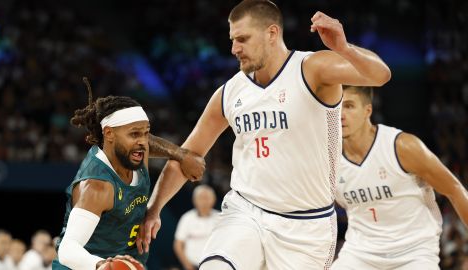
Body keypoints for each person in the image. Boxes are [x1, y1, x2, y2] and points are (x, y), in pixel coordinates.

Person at [137, 1, 391, 269]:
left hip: (305, 225)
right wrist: (154, 209)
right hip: (246, 211)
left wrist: (344, 48)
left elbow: (380, 75)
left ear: (272, 33)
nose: (235, 49)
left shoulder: (312, 69)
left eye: (243, 39)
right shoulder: (229, 92)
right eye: (233, 40)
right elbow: (188, 153)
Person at [51, 79, 205, 270]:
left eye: (145, 133)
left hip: (127, 261)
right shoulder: (97, 186)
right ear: (109, 134)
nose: (143, 141)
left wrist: (179, 153)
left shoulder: (134, 152)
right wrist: (102, 266)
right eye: (134, 134)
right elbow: (67, 249)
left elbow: (148, 142)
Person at [331, 86, 468, 270]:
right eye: (337, 107)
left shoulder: (402, 147)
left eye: (349, 106)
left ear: (367, 110)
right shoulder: (329, 159)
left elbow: (455, 190)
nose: (341, 114)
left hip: (413, 253)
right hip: (360, 253)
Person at [173, 185, 220, 270]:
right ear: (194, 200)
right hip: (192, 266)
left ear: (214, 200)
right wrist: (187, 265)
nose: (204, 201)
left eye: (207, 198)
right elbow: (178, 244)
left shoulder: (220, 218)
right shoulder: (187, 218)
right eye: (201, 197)